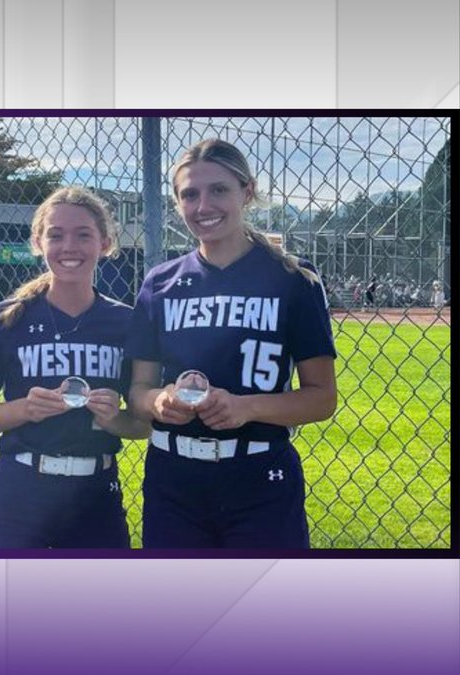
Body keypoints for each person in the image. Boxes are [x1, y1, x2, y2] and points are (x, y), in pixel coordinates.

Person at [126, 138, 337, 548]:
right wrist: (159, 402)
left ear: (247, 192)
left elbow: (322, 398)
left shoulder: (293, 279)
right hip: (174, 478)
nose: (203, 206)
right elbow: (136, 391)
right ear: (178, 203)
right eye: (190, 194)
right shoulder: (160, 283)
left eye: (218, 189)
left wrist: (246, 407)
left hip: (260, 478)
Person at [0, 186, 150, 549]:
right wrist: (25, 409)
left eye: (83, 235)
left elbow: (140, 426)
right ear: (37, 242)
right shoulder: (8, 317)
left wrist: (114, 418)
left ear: (106, 243)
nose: (69, 247)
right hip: (19, 489)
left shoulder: (126, 323)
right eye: (56, 235)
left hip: (95, 491)